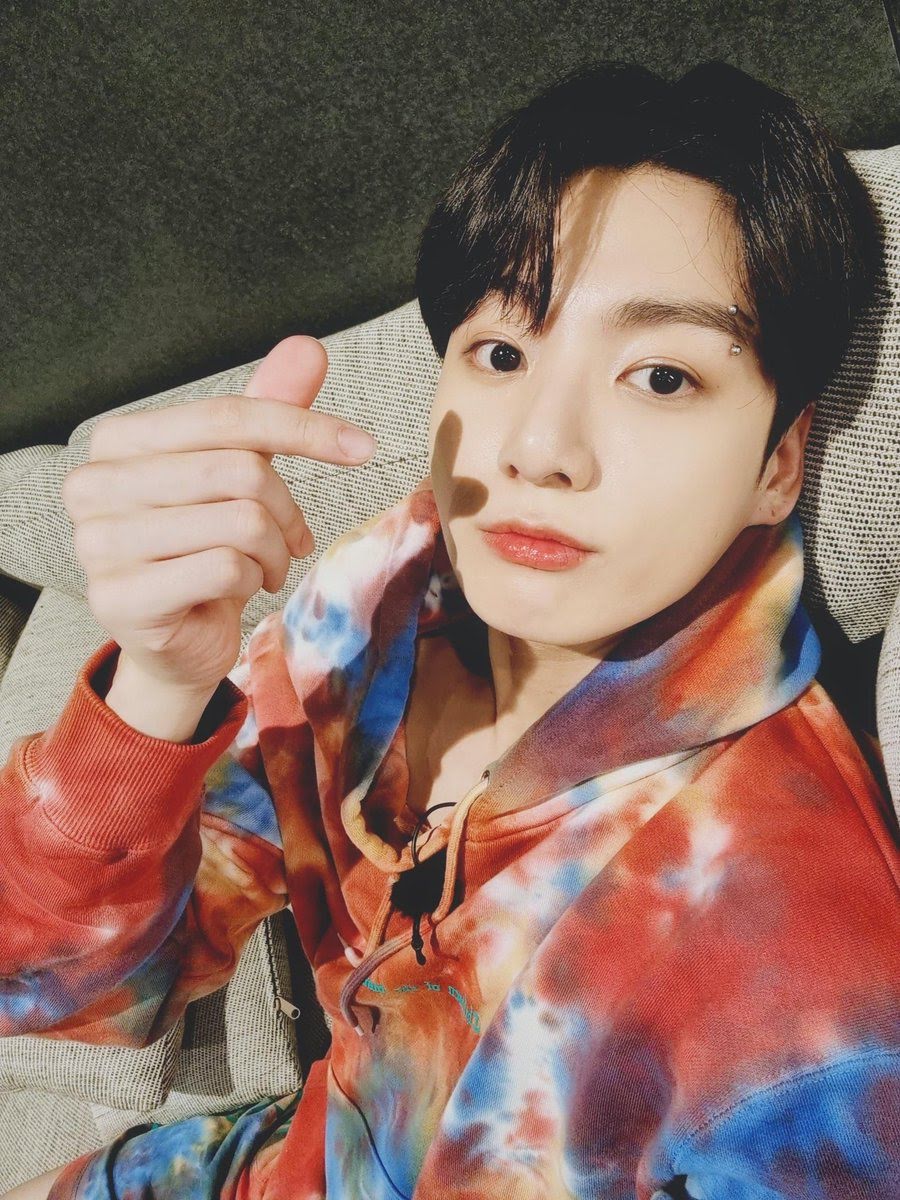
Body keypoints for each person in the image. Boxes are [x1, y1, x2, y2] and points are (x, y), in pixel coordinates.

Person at [1, 57, 898, 1200]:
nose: (538, 446)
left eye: (662, 376)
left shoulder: (801, 1008)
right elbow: (58, 992)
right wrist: (158, 688)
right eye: (503, 354)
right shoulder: (387, 592)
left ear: (780, 462)